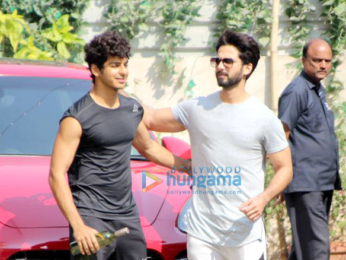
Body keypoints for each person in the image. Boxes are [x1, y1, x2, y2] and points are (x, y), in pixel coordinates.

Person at [127, 30, 292, 260]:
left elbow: (285, 168)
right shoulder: (197, 109)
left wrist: (263, 198)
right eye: (217, 60)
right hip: (201, 232)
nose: (220, 66)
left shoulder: (264, 119)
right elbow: (151, 119)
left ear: (247, 68)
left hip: (245, 234)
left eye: (228, 61)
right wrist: (121, 91)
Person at [48, 31, 190, 260]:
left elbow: (149, 147)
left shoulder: (131, 109)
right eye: (115, 65)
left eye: (125, 64)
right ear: (96, 69)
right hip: (91, 215)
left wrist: (187, 166)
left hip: (127, 214)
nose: (123, 71)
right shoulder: (76, 118)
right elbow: (56, 175)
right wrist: (79, 226)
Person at [278, 39, 342, 260]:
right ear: (304, 60)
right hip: (305, 183)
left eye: (327, 61)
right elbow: (281, 135)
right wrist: (280, 177)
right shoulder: (297, 91)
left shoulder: (317, 91)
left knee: (305, 250)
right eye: (317, 60)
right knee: (316, 249)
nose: (323, 65)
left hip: (321, 182)